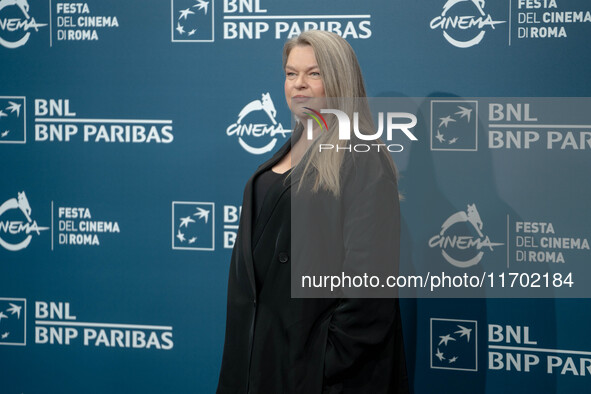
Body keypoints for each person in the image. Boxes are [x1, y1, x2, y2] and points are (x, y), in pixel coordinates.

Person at [217, 30, 408, 394]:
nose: (299, 84)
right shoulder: (289, 148)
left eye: (314, 74)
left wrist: (322, 360)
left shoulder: (362, 158)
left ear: (339, 79)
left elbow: (371, 286)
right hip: (260, 362)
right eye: (291, 74)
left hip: (318, 375)